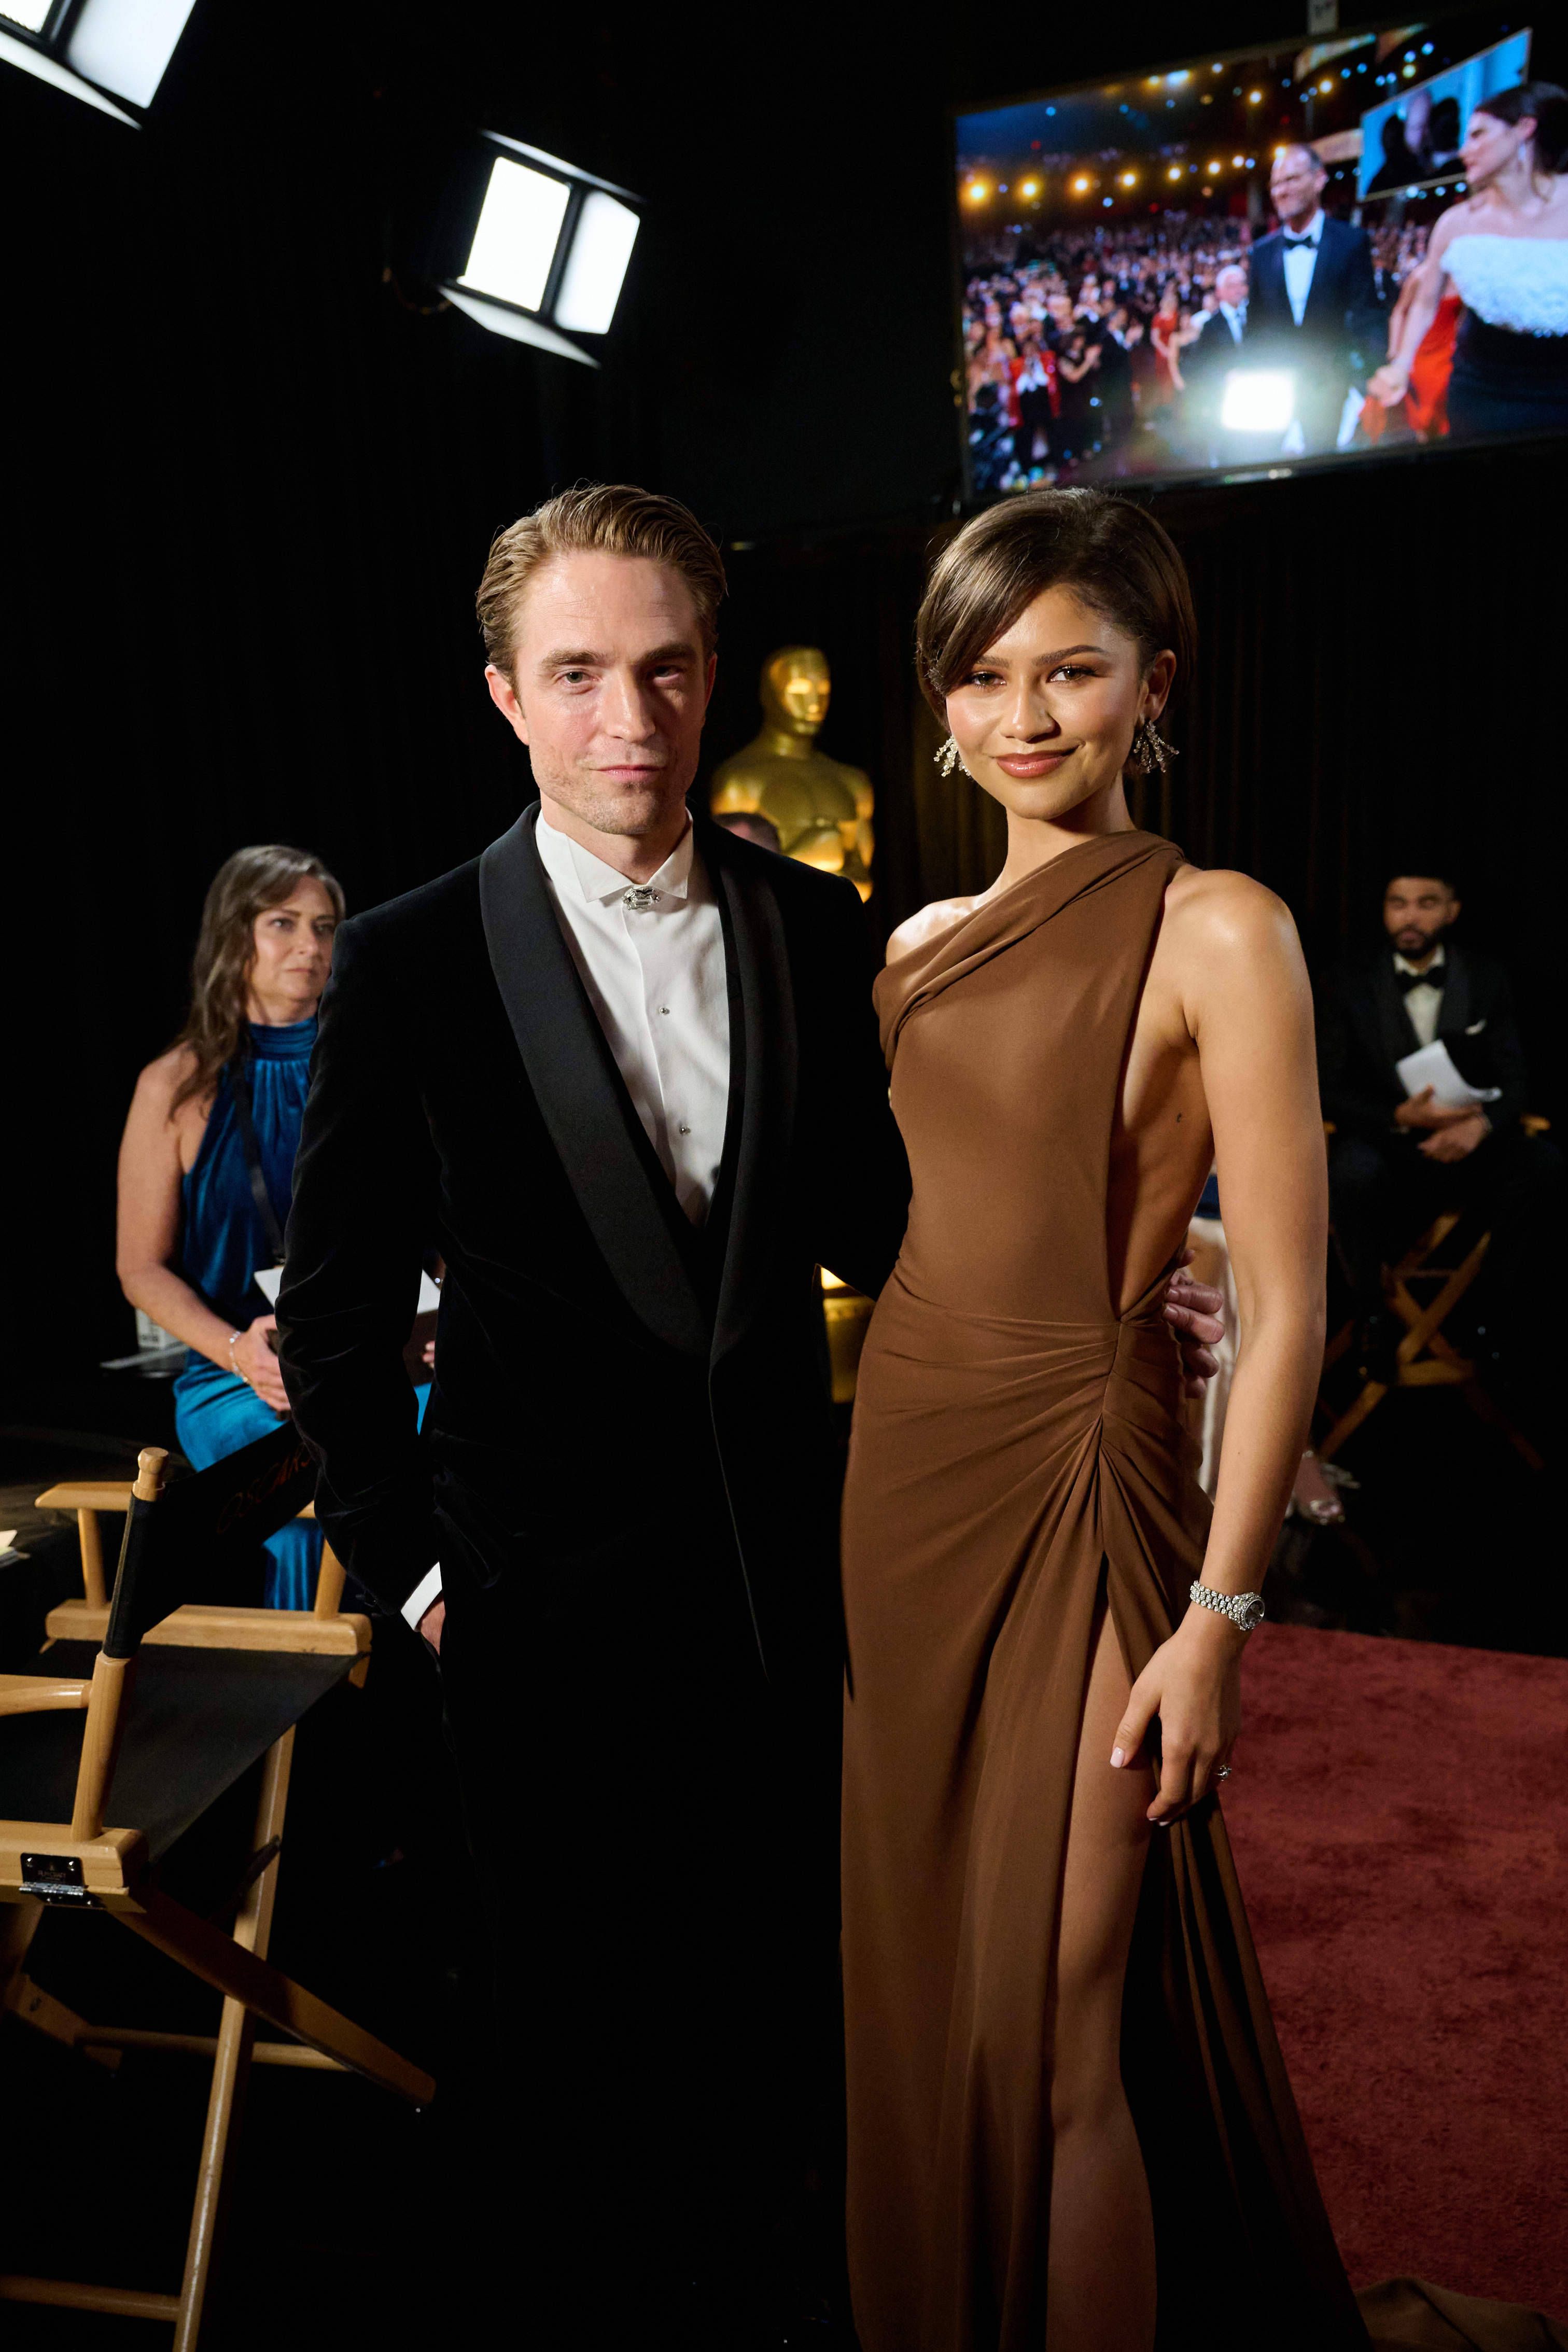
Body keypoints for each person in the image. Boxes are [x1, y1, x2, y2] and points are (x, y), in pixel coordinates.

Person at [275, 483, 1224, 2342]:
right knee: (575, 2055)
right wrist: (415, 1578)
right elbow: (331, 1316)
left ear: (711, 677)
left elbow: (893, 1227)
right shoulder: (406, 957)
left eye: (661, 668)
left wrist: (1114, 1273)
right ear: (505, 696)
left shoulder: (815, 923)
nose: (625, 716)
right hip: (531, 1615)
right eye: (576, 674)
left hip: (803, 1587)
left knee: (789, 2021)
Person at [838, 487, 1364, 2350]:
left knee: (1059, 2023)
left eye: (1069, 671)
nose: (1023, 716)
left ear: (1156, 683)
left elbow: (1291, 1302)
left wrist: (1219, 1618)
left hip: (1086, 1477)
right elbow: (957, 1207)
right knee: (927, 1988)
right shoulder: (910, 944)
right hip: (905, 1471)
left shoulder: (1223, 928)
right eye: (980, 676)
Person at [116, 845, 344, 1607]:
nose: (310, 945)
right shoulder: (174, 1086)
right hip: (237, 1372)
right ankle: (311, 1677)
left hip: (373, 1359)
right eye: (284, 923)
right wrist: (237, 1351)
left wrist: (438, 1316)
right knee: (297, 1484)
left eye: (324, 927)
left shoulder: (372, 1064)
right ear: (232, 935)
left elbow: (436, 1228)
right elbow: (139, 1268)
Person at [1317, 869, 1560, 1390]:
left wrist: (1481, 1127)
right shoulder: (1348, 980)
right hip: (1390, 1149)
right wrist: (1396, 1117)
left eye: (1426, 903)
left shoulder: (1488, 976)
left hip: (1471, 1150)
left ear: (1452, 910)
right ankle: (1371, 1318)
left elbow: (1517, 1077)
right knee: (1348, 1173)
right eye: (1398, 903)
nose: (1410, 916)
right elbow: (1327, 1086)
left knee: (1543, 1164)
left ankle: (1491, 1316)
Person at [1367, 83, 1568, 440]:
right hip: (1478, 390)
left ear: (1524, 129)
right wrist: (1401, 364)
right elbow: (1424, 303)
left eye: (1477, 135)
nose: (1464, 151)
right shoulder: (1455, 223)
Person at [1246, 143, 1384, 453]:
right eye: (1276, 184)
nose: (1281, 191)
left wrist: (1370, 376)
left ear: (1319, 179)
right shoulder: (1261, 253)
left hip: (1332, 386)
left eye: (1292, 179)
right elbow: (1255, 328)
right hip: (1275, 392)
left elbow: (1368, 315)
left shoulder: (1352, 242)